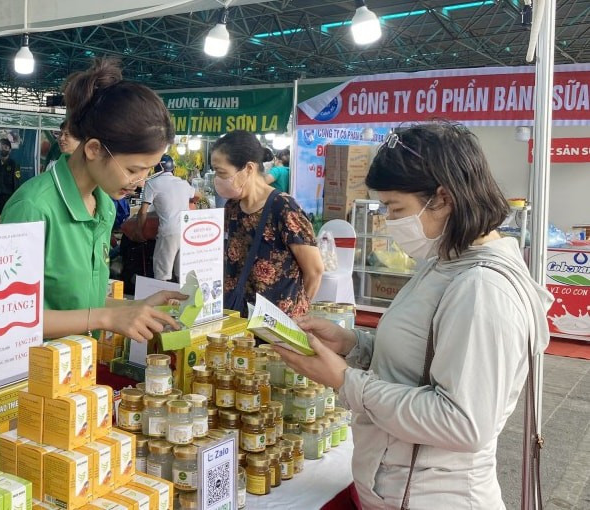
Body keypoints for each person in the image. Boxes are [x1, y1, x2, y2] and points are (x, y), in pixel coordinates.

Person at [275, 122, 553, 509]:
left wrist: (344, 381)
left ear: (442, 198)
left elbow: (463, 422)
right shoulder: (445, 259)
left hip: (435, 496)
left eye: (395, 208)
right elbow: (423, 356)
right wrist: (355, 344)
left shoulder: (483, 288)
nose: (389, 222)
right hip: (397, 485)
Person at [1, 58, 185, 341]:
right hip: (32, 375)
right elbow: (8, 318)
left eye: (150, 170)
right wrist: (108, 317)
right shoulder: (33, 208)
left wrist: (137, 307)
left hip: (79, 370)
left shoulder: (104, 208)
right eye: (134, 169)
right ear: (94, 149)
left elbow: (80, 305)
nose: (141, 182)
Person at [210, 130, 323, 317]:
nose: (217, 179)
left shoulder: (284, 208)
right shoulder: (232, 207)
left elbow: (315, 271)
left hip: (276, 325)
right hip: (237, 318)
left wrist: (297, 318)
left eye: (221, 172)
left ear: (248, 169)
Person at [135, 155, 195, 282]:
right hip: (186, 232)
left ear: (156, 168)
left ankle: (162, 301)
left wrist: (139, 231)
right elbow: (198, 195)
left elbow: (143, 212)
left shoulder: (151, 183)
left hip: (169, 233)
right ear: (173, 168)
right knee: (182, 275)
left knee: (162, 275)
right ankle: (184, 300)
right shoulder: (183, 183)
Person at [0, 138, 21, 213]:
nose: (3, 149)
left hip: (9, 198)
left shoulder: (14, 164)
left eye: (6, 147)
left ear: (10, 150)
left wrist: (15, 200)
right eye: (1, 147)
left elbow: (16, 184)